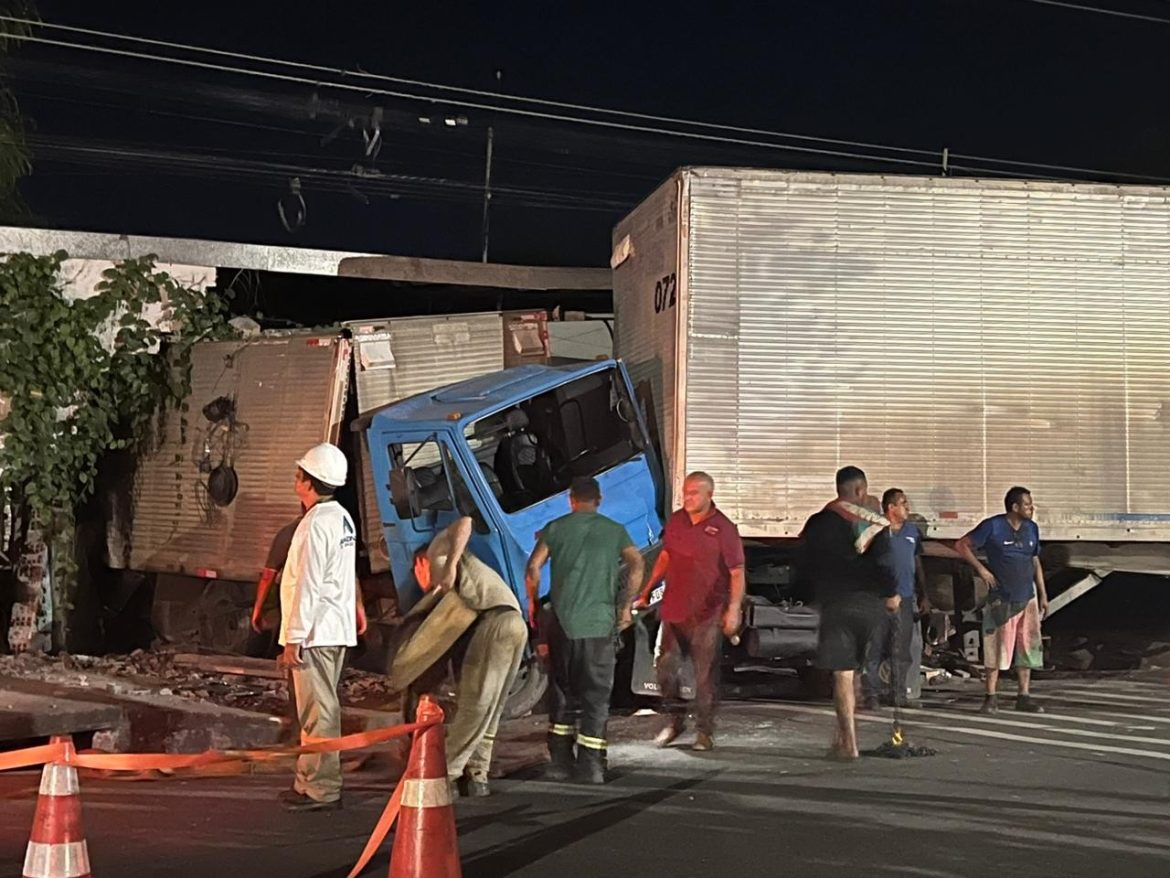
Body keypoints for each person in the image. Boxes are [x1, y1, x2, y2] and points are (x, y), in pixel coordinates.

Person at [525, 477, 645, 784]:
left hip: (562, 625)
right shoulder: (614, 531)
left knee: (563, 692)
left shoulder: (555, 528)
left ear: (571, 499)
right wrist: (625, 607)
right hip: (598, 625)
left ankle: (560, 763)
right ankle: (591, 767)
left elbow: (533, 569)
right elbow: (636, 563)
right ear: (599, 500)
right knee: (595, 696)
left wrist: (533, 607)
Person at [413, 516, 528, 797]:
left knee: (474, 707)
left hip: (496, 623)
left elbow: (464, 521)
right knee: (491, 707)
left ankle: (445, 776)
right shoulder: (463, 587)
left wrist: (449, 565)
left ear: (420, 564)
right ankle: (477, 776)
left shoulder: (438, 553)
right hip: (514, 625)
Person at [633, 471, 745, 752]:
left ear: (709, 495)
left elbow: (737, 572)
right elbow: (666, 556)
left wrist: (733, 610)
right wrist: (647, 590)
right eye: (685, 492)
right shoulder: (677, 522)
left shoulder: (723, 529)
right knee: (665, 670)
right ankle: (675, 720)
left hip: (707, 615)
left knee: (704, 675)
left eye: (694, 492)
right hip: (674, 611)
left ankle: (704, 732)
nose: (688, 497)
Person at [276, 443, 357, 812]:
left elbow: (307, 583)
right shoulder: (342, 518)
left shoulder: (315, 525)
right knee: (318, 710)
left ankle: (321, 789)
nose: (296, 478)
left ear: (310, 482)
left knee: (318, 712)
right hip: (331, 629)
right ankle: (307, 782)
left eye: (299, 474)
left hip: (315, 634)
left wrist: (293, 638)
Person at [798, 466, 896, 761]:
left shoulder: (817, 523)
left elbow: (803, 564)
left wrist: (807, 595)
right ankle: (841, 735)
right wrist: (891, 595)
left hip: (837, 604)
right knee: (856, 669)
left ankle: (848, 743)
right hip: (872, 607)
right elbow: (887, 566)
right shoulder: (877, 525)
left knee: (842, 673)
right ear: (859, 491)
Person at [956, 486, 1049, 714]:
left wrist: (1043, 593)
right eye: (1027, 504)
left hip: (1026, 597)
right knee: (996, 647)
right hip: (1001, 598)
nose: (1031, 508)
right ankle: (991, 696)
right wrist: (981, 569)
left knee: (1027, 646)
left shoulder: (1031, 529)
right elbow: (961, 545)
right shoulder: (994, 526)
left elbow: (1034, 561)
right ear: (1015, 507)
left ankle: (1024, 695)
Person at [862, 488, 927, 709]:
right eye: (903, 503)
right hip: (880, 599)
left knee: (902, 648)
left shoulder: (912, 532)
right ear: (891, 508)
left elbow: (917, 563)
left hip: (906, 598)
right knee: (875, 647)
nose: (907, 507)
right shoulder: (877, 533)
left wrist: (924, 594)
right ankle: (871, 693)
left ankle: (898, 693)